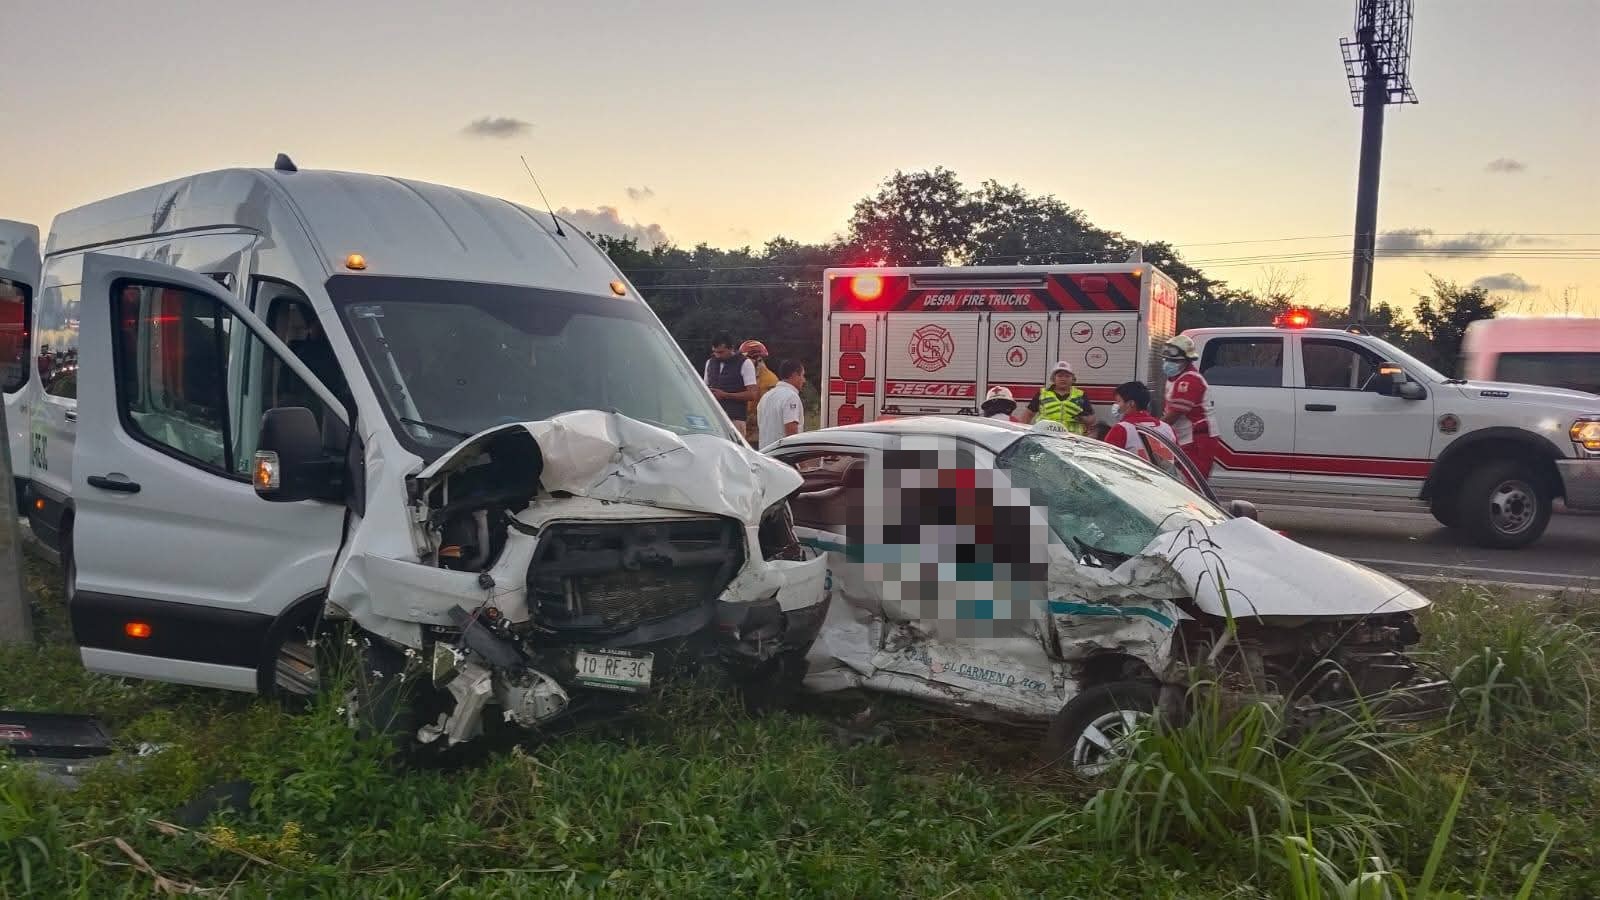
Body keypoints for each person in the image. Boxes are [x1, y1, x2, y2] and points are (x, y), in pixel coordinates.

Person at [1160, 335, 1217, 477]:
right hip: (1185, 438)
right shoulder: (1176, 378)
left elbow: (1174, 414)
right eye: (1166, 359)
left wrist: (1154, 428)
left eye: (1174, 360)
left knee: (1191, 482)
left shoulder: (1190, 380)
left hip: (1197, 440)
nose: (1168, 363)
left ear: (1187, 360)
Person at [1103, 381, 1176, 461]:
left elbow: (1107, 460)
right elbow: (1177, 461)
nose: (1116, 405)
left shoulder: (1121, 429)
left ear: (1131, 403)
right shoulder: (1167, 428)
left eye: (1118, 401)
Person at [1018, 361, 1096, 434]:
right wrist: (1021, 432)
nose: (1063, 379)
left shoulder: (1080, 395)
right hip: (1045, 437)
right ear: (1053, 378)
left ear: (1072, 379)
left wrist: (1084, 419)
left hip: (1072, 439)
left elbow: (1092, 419)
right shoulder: (1042, 394)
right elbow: (1028, 415)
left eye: (1067, 376)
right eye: (1060, 376)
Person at [703, 334, 758, 432]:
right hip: (713, 418)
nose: (717, 355)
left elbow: (752, 394)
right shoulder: (710, 362)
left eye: (721, 352)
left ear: (731, 348)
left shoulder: (745, 363)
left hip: (735, 419)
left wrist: (726, 395)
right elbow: (704, 387)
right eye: (714, 352)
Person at [757, 358, 806, 449]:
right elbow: (791, 432)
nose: (804, 380)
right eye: (802, 376)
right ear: (795, 375)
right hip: (783, 454)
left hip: (764, 453)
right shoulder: (791, 397)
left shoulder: (766, 396)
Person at [739, 339, 779, 444]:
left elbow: (769, 412)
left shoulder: (770, 380)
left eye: (745, 360)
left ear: (758, 359)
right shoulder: (743, 376)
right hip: (743, 433)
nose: (742, 363)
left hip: (758, 436)